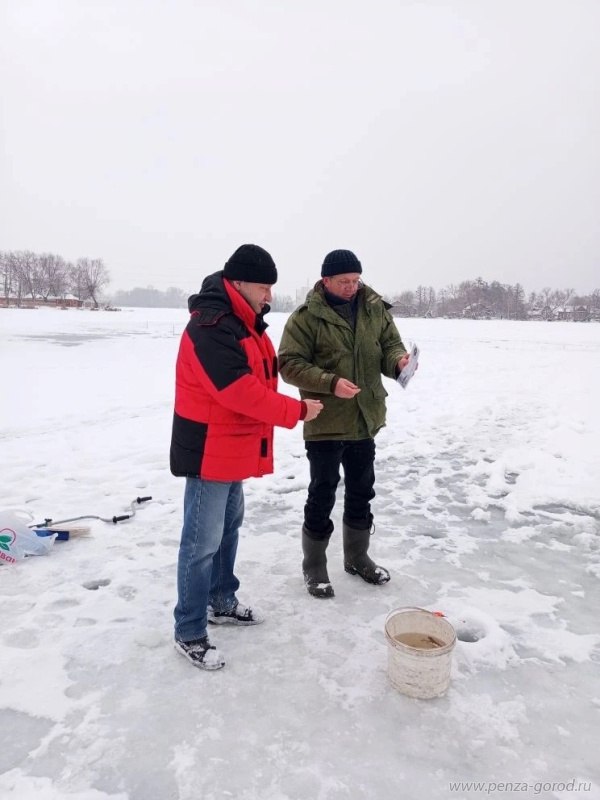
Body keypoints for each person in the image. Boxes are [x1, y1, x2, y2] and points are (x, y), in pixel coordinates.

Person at [170, 244, 323, 668]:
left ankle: (221, 600)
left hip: (230, 446)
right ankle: (189, 629)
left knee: (228, 529)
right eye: (263, 287)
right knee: (200, 543)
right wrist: (296, 411)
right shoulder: (212, 324)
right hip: (208, 450)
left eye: (270, 287)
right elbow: (238, 391)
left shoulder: (243, 321)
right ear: (239, 283)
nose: (269, 295)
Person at [278, 249, 409, 598]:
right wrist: (329, 382)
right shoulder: (306, 318)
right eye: (344, 282)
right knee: (322, 491)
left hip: (364, 418)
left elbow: (389, 346)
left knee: (362, 489)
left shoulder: (374, 308)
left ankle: (357, 557)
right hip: (324, 419)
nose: (352, 287)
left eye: (355, 280)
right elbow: (288, 364)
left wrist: (399, 363)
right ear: (326, 281)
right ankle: (315, 566)